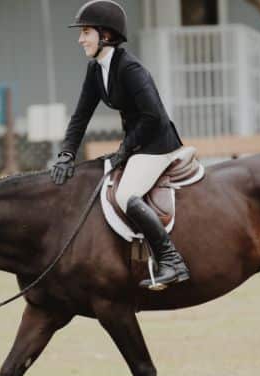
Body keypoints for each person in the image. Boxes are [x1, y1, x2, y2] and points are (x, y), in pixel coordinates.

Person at [50, 0, 190, 290]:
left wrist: (125, 149)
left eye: (86, 32)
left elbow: (154, 117)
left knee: (126, 195)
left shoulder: (131, 69)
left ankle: (171, 260)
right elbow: (80, 117)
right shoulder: (95, 70)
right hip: (136, 146)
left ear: (107, 35)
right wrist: (66, 154)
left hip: (158, 146)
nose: (80, 39)